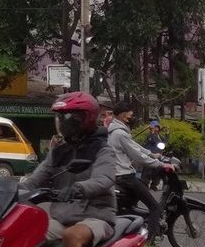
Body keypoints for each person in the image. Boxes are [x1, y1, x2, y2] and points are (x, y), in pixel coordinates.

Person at [19, 92, 117, 247]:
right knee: (24, 233)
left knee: (72, 236)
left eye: (69, 117)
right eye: (60, 118)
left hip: (95, 218)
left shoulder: (102, 150)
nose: (64, 123)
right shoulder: (59, 152)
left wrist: (78, 188)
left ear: (86, 118)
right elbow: (33, 182)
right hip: (62, 219)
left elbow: (103, 179)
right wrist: (5, 188)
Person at [108, 101, 173, 237]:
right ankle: (150, 240)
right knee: (155, 208)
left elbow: (135, 146)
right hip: (125, 177)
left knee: (134, 203)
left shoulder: (117, 131)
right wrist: (160, 164)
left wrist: (152, 154)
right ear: (122, 115)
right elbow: (137, 156)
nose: (132, 116)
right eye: (130, 114)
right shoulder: (120, 133)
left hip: (119, 176)